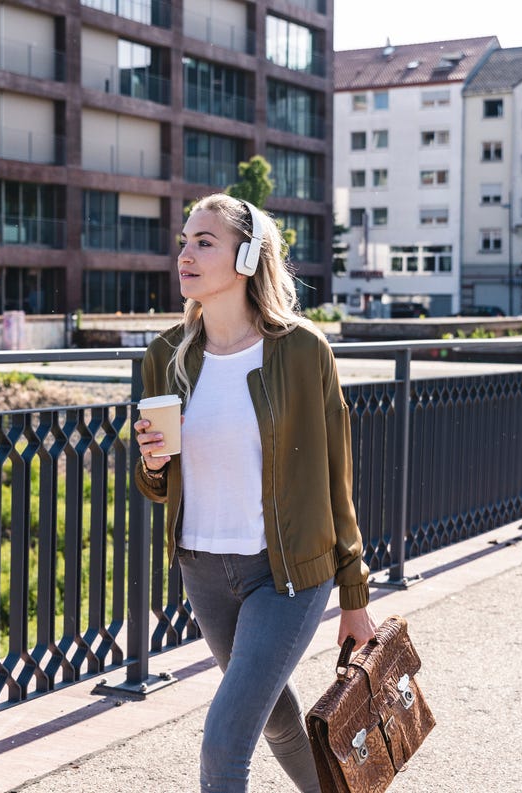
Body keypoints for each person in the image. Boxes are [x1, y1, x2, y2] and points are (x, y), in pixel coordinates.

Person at [133, 193, 375, 792]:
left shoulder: (301, 350)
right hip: (203, 567)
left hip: (287, 573)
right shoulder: (165, 356)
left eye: (204, 242)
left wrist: (354, 593)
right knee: (276, 719)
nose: (186, 254)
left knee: (224, 740)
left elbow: (334, 475)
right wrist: (153, 462)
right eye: (184, 242)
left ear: (245, 256)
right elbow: (156, 486)